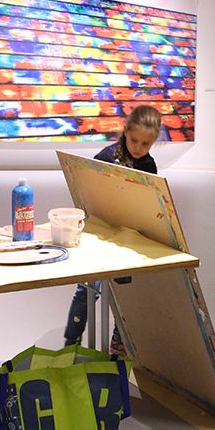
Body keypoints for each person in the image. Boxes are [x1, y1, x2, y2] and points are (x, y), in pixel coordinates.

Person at [63, 105, 163, 353]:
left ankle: (118, 341)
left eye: (145, 144)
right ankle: (71, 344)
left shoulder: (149, 167)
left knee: (124, 293)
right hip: (100, 236)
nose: (138, 148)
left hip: (129, 239)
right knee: (87, 291)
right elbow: (89, 197)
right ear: (125, 131)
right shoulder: (105, 159)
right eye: (134, 140)